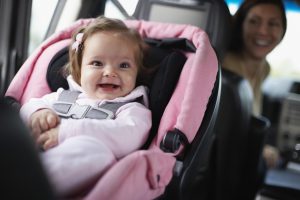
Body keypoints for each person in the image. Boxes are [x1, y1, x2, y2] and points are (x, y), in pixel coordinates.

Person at [20, 16, 151, 197]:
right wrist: (38, 112)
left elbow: (128, 136)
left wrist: (64, 133)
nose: (110, 72)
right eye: (97, 63)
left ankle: (28, 187)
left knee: (97, 152)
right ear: (80, 70)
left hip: (79, 165)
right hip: (34, 154)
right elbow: (28, 105)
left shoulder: (132, 109)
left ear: (136, 73)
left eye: (124, 65)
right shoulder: (63, 96)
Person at [222, 0, 287, 169]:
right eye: (254, 21)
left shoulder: (264, 69)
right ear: (240, 25)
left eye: (273, 24)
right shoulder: (225, 71)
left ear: (283, 31)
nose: (263, 31)